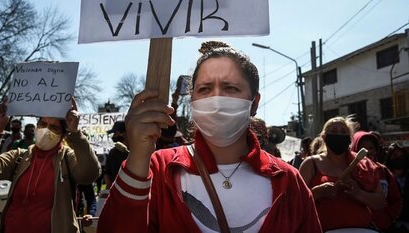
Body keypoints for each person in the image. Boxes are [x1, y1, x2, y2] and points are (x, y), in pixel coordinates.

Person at [98, 41, 322, 233]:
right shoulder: (160, 169)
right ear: (192, 100)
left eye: (230, 88)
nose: (216, 100)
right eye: (204, 89)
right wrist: (138, 156)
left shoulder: (289, 181)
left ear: (254, 103)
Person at [0, 97, 101, 233]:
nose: (46, 130)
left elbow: (90, 174)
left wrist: (76, 133)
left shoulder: (67, 158)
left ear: (63, 135)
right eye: (43, 124)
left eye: (53, 127)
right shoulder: (19, 156)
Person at [299, 116, 385, 232]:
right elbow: (296, 202)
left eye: (343, 131)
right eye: (333, 131)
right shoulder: (311, 164)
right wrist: (317, 192)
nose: (338, 134)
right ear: (324, 137)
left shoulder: (363, 164)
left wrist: (358, 193)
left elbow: (379, 203)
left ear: (349, 138)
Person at [352, 131, 402, 232]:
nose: (368, 151)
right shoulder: (350, 172)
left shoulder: (383, 171)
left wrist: (387, 218)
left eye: (371, 148)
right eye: (363, 148)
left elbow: (396, 199)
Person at [384, 143, 409, 232]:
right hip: (390, 225)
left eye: (401, 156)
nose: (399, 158)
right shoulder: (384, 177)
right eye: (395, 156)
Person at [103, 121, 129, 189]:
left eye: (116, 133)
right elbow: (107, 172)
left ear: (126, 133)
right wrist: (109, 184)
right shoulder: (113, 152)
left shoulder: (137, 151)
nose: (114, 136)